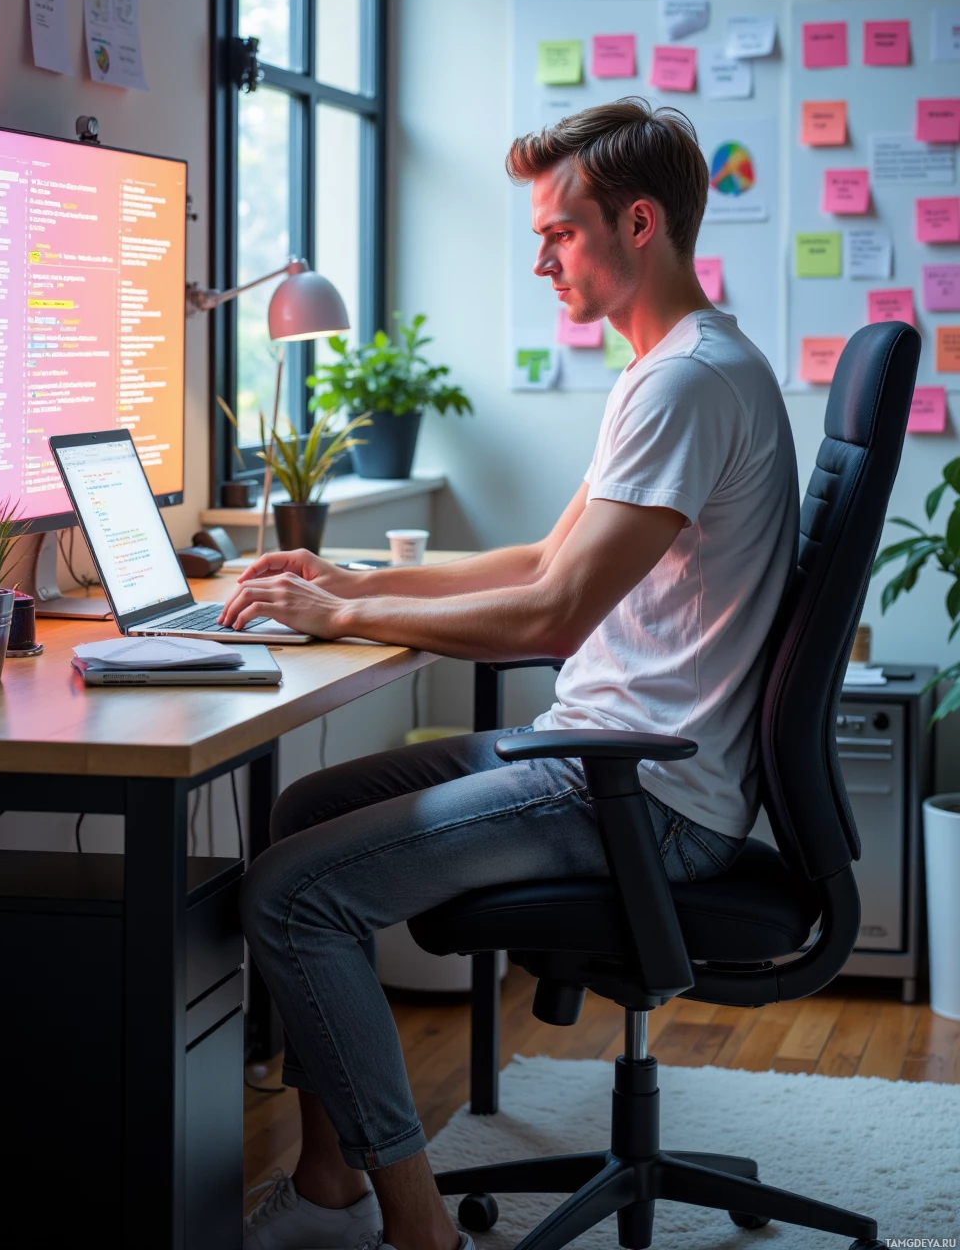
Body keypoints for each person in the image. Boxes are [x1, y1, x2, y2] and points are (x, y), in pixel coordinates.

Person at [229, 98, 799, 1250]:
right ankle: (331, 1169)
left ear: (638, 223)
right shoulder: (677, 368)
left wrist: (340, 615)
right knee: (304, 808)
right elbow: (545, 559)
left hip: (637, 789)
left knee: (293, 896)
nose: (539, 257)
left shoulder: (687, 385)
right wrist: (348, 578)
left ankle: (416, 1224)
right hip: (616, 760)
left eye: (561, 231)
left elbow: (552, 612)